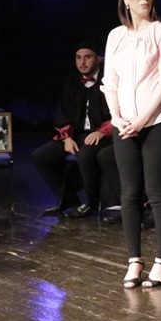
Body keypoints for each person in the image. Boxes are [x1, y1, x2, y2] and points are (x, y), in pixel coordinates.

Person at [101, 0, 161, 289]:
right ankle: (134, 259)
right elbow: (110, 82)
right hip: (124, 125)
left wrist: (142, 119)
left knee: (157, 191)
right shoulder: (116, 36)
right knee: (130, 192)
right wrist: (117, 117)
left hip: (156, 121)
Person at [34, 41, 119, 218]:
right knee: (41, 156)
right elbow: (63, 111)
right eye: (78, 58)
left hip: (104, 134)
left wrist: (102, 131)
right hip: (76, 134)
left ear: (99, 58)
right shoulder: (72, 81)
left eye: (87, 57)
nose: (82, 63)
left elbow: (119, 111)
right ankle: (69, 199)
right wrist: (66, 137)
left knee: (86, 154)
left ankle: (91, 202)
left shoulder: (110, 80)